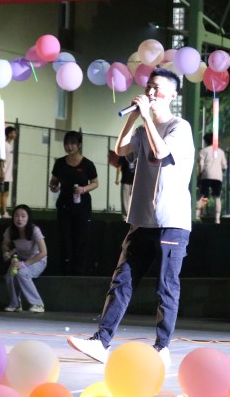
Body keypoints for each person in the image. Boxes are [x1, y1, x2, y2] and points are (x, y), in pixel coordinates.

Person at [67, 67, 194, 365]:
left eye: (157, 88)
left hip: (171, 221)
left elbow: (161, 153)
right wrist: (135, 117)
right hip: (141, 219)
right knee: (122, 281)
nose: (151, 92)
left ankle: (162, 347)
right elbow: (121, 149)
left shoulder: (180, 127)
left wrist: (147, 118)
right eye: (149, 86)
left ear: (172, 95)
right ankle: (101, 341)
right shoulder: (141, 128)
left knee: (166, 287)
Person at [49, 131, 99, 275]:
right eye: (66, 143)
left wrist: (83, 189)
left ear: (79, 145)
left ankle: (79, 272)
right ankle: (65, 271)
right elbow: (54, 181)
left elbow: (95, 183)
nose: (69, 147)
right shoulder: (60, 163)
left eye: (72, 143)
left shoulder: (87, 164)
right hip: (64, 206)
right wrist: (53, 187)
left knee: (81, 238)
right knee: (65, 239)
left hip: (82, 207)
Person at [1, 204, 48, 313]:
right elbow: (5, 244)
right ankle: (15, 304)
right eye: (16, 216)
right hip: (21, 259)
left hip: (37, 260)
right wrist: (6, 252)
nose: (19, 219)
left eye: (23, 216)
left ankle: (38, 304)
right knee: (10, 276)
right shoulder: (10, 230)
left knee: (21, 272)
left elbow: (43, 252)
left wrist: (24, 264)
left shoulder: (35, 230)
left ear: (28, 218)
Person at [196, 132, 228, 224]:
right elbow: (225, 166)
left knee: (200, 195)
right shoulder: (221, 152)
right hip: (218, 176)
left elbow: (201, 165)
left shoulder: (203, 151)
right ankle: (217, 219)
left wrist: (200, 175)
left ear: (206, 141)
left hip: (206, 175)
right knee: (217, 197)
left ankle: (197, 216)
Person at [0, 126, 17, 219]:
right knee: (0, 193)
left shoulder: (9, 145)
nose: (15, 134)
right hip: (3, 174)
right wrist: (2, 173)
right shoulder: (4, 145)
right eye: (14, 133)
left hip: (7, 175)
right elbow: (1, 160)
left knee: (5, 193)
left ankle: (4, 212)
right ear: (9, 134)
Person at [115, 154, 135, 221]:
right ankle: (125, 217)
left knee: (134, 201)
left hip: (135, 182)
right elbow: (119, 167)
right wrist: (117, 178)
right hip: (125, 181)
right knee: (125, 201)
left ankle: (132, 217)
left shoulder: (137, 155)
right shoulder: (123, 156)